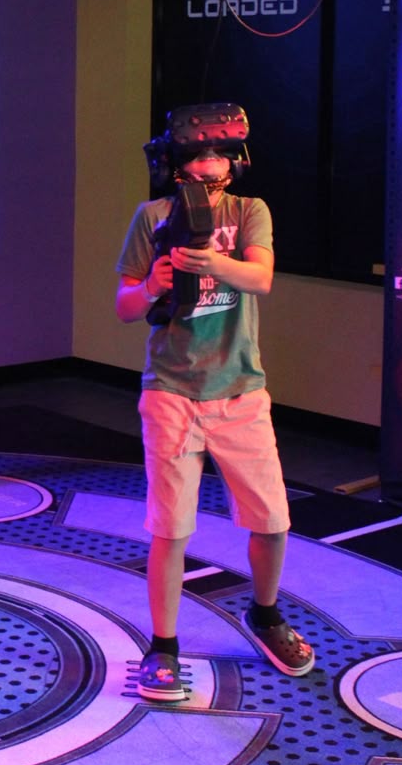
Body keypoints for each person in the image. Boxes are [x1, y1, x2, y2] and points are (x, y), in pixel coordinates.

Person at [114, 103, 314, 704]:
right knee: (170, 527)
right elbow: (124, 306)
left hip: (240, 389)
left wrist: (214, 265)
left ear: (234, 161)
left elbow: (261, 278)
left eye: (219, 155)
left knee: (272, 520)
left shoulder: (250, 211)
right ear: (179, 162)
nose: (208, 165)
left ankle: (266, 614)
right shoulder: (152, 217)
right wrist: (152, 285)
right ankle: (163, 646)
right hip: (171, 392)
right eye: (198, 155)